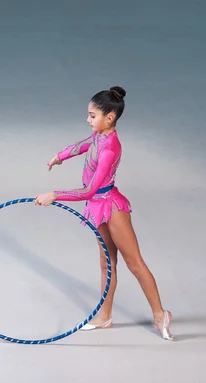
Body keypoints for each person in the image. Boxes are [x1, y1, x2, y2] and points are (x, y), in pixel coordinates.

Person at [33, 86, 174, 341]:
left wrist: (54, 194)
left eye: (92, 115)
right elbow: (81, 146)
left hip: (111, 207)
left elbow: (89, 191)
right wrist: (59, 156)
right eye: (88, 115)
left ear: (110, 117)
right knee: (107, 262)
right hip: (97, 208)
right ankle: (105, 315)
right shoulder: (98, 137)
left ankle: (160, 313)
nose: (88, 120)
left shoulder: (111, 147)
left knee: (135, 264)